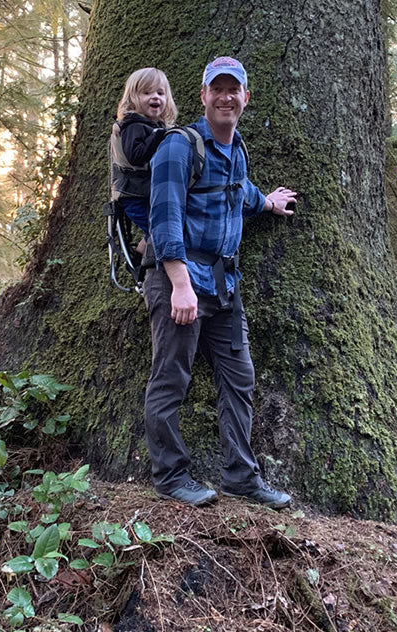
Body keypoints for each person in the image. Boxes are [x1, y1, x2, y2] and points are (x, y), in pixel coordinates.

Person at [143, 56, 297, 508]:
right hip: (181, 281)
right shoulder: (180, 146)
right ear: (204, 96)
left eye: (235, 90)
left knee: (239, 378)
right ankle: (170, 476)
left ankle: (240, 477)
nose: (226, 97)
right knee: (171, 379)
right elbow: (163, 217)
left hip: (224, 283)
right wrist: (179, 283)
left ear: (245, 98)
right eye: (218, 89)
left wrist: (266, 203)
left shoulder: (235, 148)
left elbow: (238, 190)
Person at [110, 67, 178, 252]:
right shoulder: (133, 125)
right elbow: (136, 156)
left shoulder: (154, 126)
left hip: (148, 193)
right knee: (158, 230)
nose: (155, 97)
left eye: (160, 93)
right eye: (146, 93)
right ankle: (145, 265)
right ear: (133, 98)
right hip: (133, 195)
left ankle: (140, 256)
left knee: (160, 228)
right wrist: (158, 136)